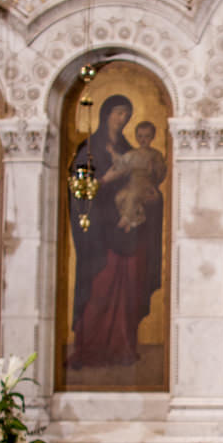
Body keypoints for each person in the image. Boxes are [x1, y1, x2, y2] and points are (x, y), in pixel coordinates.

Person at [67, 94, 164, 370]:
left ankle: (122, 347)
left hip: (128, 235)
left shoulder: (130, 150)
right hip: (98, 234)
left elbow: (148, 182)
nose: (122, 119)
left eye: (126, 114)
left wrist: (152, 199)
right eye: (118, 113)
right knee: (99, 287)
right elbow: (80, 191)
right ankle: (89, 349)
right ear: (105, 114)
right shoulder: (89, 149)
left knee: (128, 290)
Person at [106, 120, 167, 232]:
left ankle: (125, 220)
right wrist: (112, 153)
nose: (143, 139)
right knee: (120, 196)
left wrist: (153, 170)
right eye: (140, 136)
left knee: (133, 196)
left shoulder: (155, 154)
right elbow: (121, 163)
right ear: (136, 137)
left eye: (147, 136)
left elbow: (161, 172)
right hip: (132, 182)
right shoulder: (132, 154)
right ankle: (134, 219)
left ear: (152, 137)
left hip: (146, 183)